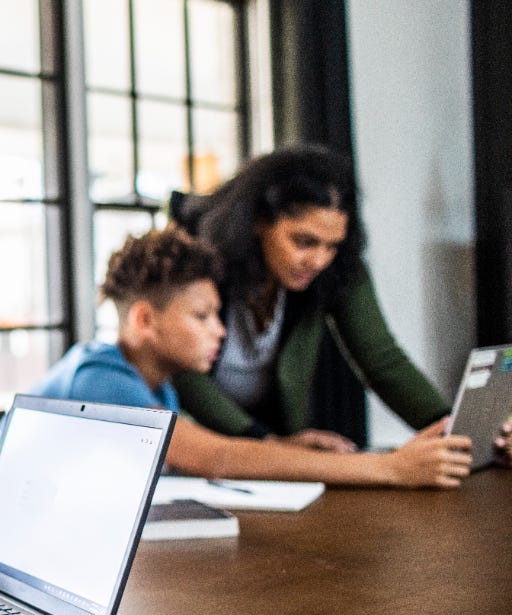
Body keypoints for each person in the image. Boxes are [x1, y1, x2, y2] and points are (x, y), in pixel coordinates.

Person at [31, 227, 476, 487]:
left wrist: (280, 447)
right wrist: (390, 468)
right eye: (202, 316)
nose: (220, 331)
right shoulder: (101, 380)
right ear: (145, 320)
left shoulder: (154, 382)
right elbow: (214, 457)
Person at [168, 146, 449, 451]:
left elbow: (382, 360)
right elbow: (184, 372)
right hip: (201, 446)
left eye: (332, 246)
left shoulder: (335, 268)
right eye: (304, 242)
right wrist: (266, 443)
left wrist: (450, 427)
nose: (318, 261)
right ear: (259, 220)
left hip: (275, 442)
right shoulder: (199, 262)